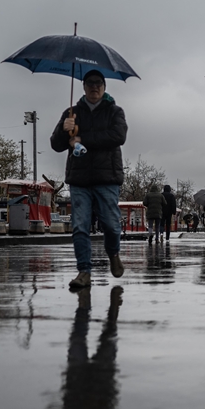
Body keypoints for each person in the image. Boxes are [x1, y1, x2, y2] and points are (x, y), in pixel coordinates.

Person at [50, 69, 127, 288]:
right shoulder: (72, 112)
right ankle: (84, 271)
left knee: (112, 226)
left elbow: (118, 136)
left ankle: (113, 253)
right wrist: (65, 131)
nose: (94, 87)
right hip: (80, 179)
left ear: (104, 87)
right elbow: (56, 145)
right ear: (83, 87)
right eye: (90, 83)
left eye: (99, 84)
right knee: (80, 226)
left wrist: (83, 139)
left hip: (107, 178)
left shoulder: (115, 111)